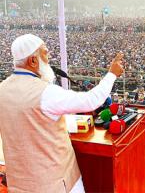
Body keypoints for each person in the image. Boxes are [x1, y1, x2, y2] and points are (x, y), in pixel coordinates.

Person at [0, 34, 124, 192]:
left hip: (19, 184)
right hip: (56, 182)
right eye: (44, 52)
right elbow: (91, 101)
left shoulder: (2, 89)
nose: (49, 56)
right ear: (32, 60)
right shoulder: (45, 93)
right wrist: (112, 74)